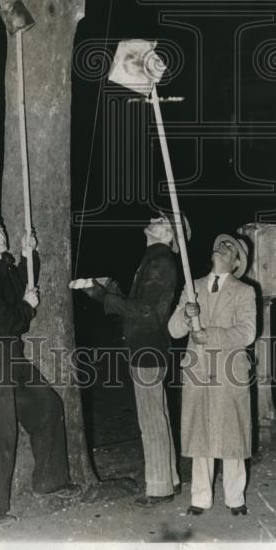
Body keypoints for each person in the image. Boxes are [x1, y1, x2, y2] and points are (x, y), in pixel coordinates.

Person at [0, 216, 76, 526]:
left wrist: (29, 256)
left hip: (11, 353)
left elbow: (20, 287)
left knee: (46, 405)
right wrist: (27, 307)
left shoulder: (1, 265)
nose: (1, 236)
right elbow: (8, 320)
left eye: (1, 230)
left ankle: (50, 482)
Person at [84, 213, 182, 505]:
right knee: (158, 414)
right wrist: (109, 288)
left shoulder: (161, 261)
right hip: (148, 346)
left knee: (151, 418)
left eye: (161, 222)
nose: (152, 220)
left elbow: (146, 309)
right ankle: (171, 479)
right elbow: (144, 302)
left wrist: (103, 297)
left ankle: (159, 488)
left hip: (147, 348)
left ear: (169, 236)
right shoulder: (153, 258)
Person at [167, 234, 256, 517]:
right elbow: (173, 330)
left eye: (230, 247)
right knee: (200, 433)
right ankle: (201, 497)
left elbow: (247, 332)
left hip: (229, 371)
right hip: (198, 370)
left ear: (237, 262)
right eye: (220, 243)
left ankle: (235, 497)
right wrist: (184, 314)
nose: (223, 246)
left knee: (232, 434)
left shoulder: (244, 291)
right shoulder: (192, 288)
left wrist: (212, 335)